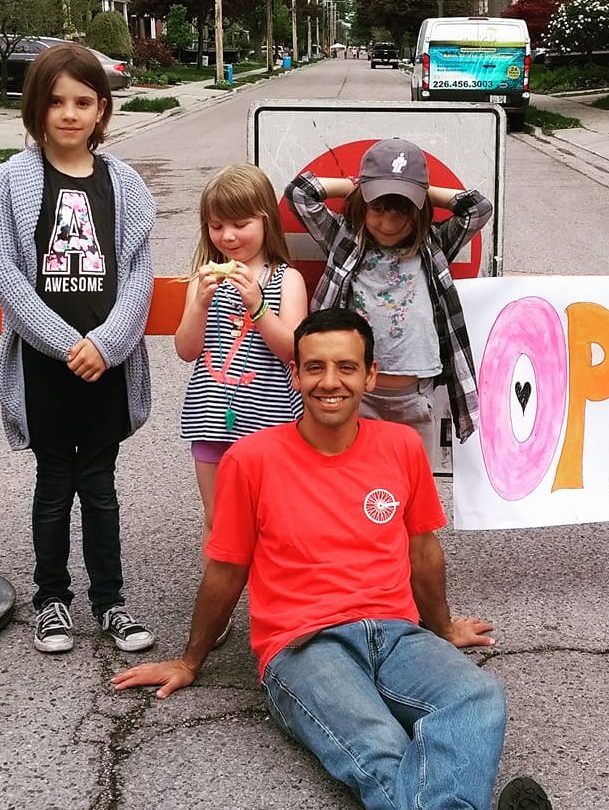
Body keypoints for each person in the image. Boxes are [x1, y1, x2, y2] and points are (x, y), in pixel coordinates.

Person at [111, 309, 551, 810]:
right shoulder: (249, 460)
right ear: (295, 373)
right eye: (315, 367)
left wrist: (444, 627)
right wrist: (191, 660)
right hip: (304, 646)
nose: (330, 382)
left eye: (346, 367)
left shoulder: (402, 446)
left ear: (370, 375)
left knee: (478, 698)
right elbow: (227, 570)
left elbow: (423, 550)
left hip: (397, 633)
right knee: (382, 746)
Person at [0, 43, 158, 655]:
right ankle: (52, 600)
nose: (69, 113)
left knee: (101, 486)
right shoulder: (12, 180)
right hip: (46, 365)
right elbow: (4, 272)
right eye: (56, 102)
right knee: (55, 482)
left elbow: (138, 275)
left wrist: (106, 344)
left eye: (83, 102)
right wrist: (65, 344)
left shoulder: (124, 184)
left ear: (101, 109)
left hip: (107, 365)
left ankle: (111, 602)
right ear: (36, 108)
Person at [286, 138, 491, 461]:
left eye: (402, 212)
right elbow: (300, 193)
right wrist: (359, 186)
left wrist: (420, 190)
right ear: (362, 204)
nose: (389, 224)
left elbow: (477, 208)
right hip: (355, 396)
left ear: (419, 210)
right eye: (378, 209)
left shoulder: (433, 245)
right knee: (354, 476)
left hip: (415, 396)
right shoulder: (345, 240)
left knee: (412, 477)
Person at [174, 164, 308, 643]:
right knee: (219, 521)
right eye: (216, 226)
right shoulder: (201, 282)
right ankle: (221, 606)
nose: (227, 237)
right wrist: (198, 304)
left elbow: (293, 349)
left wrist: (257, 306)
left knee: (275, 521)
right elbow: (186, 349)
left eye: (239, 224)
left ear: (266, 221)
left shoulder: (286, 280)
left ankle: (280, 606)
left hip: (271, 425)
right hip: (209, 421)